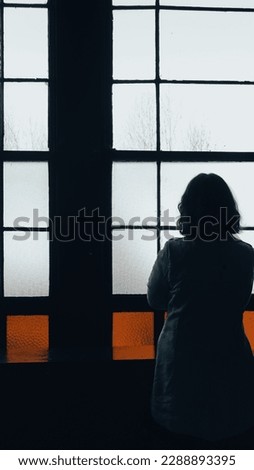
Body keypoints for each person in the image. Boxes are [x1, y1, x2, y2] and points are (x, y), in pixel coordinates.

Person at [147, 173, 254, 441]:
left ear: (188, 210)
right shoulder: (245, 254)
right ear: (227, 210)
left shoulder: (174, 252)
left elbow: (155, 299)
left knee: (180, 434)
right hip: (229, 353)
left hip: (181, 359)